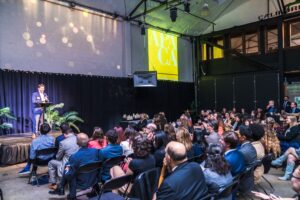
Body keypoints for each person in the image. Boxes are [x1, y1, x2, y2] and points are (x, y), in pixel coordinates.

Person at [53, 133, 100, 199]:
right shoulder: (96, 151)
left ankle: (66, 191)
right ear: (88, 141)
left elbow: (68, 175)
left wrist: (66, 168)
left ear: (77, 143)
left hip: (80, 183)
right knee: (68, 166)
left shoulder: (74, 157)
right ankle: (61, 187)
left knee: (68, 168)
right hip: (93, 179)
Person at [238, 125, 257, 193]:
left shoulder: (242, 151)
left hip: (242, 183)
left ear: (243, 137)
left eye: (238, 133)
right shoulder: (251, 147)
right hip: (249, 181)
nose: (236, 134)